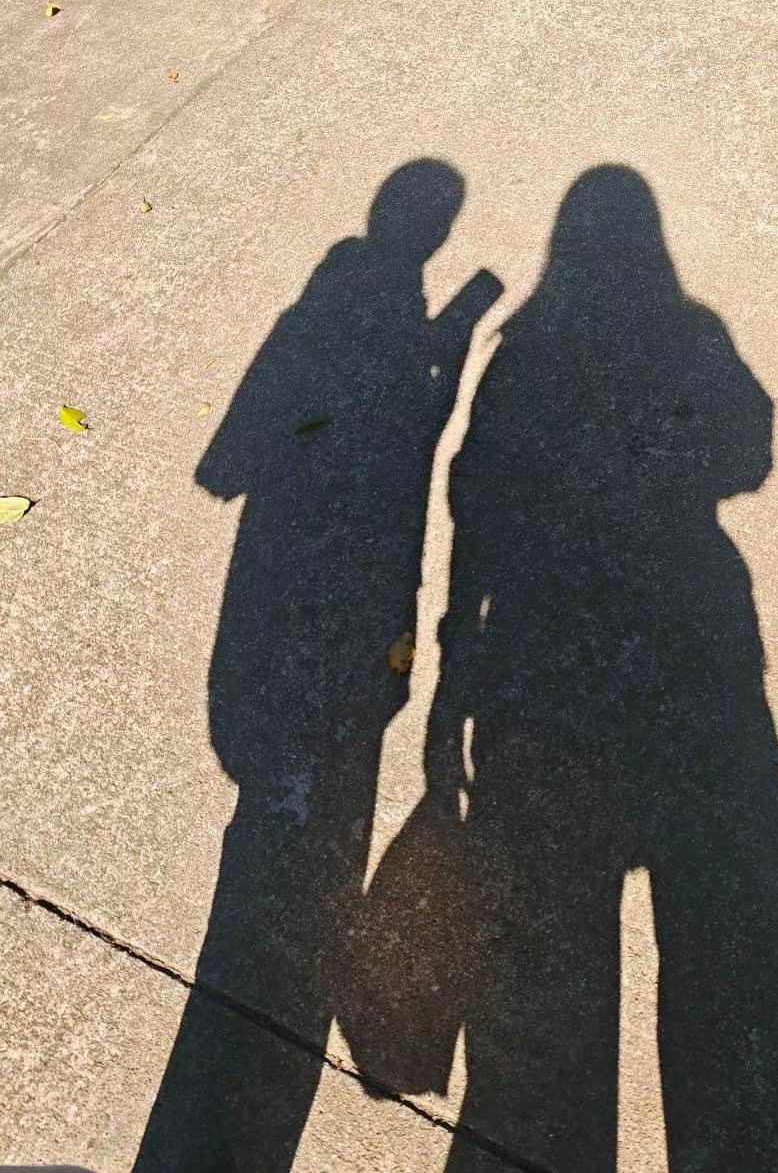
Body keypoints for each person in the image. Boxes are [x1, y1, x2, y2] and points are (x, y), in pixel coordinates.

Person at [424, 165, 778, 1171]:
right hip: (688, 653)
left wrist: (456, 664)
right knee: (720, 943)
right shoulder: (689, 333)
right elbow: (750, 451)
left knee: (555, 964)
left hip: (545, 667)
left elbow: (472, 503)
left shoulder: (522, 353)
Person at [134, 159, 501, 1172]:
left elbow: (225, 465)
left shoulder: (331, 293)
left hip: (270, 643)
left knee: (274, 853)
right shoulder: (354, 295)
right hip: (347, 626)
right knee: (296, 843)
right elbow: (233, 464)